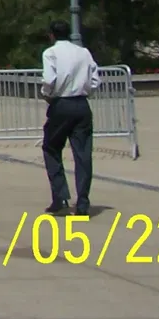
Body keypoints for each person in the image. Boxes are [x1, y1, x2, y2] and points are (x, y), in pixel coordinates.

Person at [40, 20, 100, 215]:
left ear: (52, 35)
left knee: (51, 146)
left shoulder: (50, 53)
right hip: (82, 104)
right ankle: (82, 202)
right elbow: (95, 80)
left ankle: (60, 196)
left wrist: (46, 93)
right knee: (83, 154)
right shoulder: (84, 52)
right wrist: (85, 91)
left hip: (62, 104)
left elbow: (49, 79)